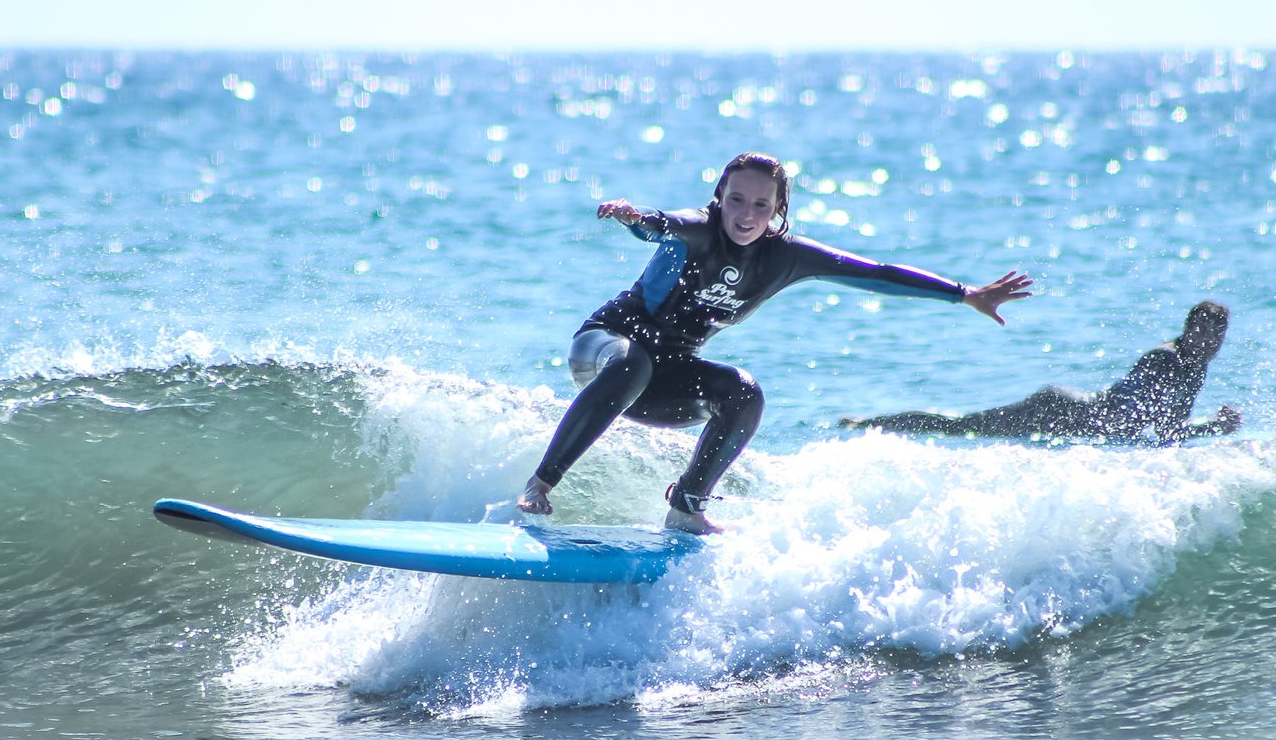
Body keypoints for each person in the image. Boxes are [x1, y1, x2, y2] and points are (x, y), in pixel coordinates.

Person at [516, 151, 1033, 533]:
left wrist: (964, 294)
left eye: (760, 204)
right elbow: (661, 225)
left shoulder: (787, 258)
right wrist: (635, 218)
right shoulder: (697, 231)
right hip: (606, 352)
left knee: (744, 393)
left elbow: (874, 273)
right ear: (719, 198)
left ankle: (687, 507)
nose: (745, 213)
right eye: (735, 199)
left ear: (778, 208)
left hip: (664, 381)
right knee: (634, 366)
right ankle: (539, 485)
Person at [839, 300, 1241, 444]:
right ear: (1189, 329)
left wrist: (1209, 428)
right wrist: (1213, 428)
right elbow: (1164, 431)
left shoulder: (1193, 368)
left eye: (1216, 337)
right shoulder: (1166, 359)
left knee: (970, 427)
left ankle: (870, 423)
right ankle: (869, 424)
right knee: (965, 427)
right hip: (1063, 410)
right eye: (1202, 333)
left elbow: (1164, 430)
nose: (1209, 343)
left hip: (1078, 419)